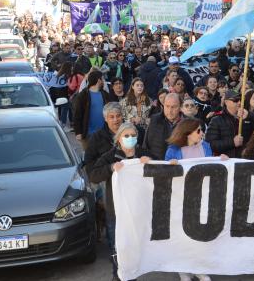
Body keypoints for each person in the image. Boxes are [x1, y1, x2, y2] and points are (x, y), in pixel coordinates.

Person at [163, 118, 225, 281]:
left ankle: (199, 268)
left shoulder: (206, 146)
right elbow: (165, 175)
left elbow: (211, 167)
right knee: (182, 235)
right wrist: (171, 165)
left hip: (203, 196)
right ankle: (183, 269)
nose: (201, 133)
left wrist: (222, 161)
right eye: (198, 130)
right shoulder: (173, 150)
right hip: (181, 198)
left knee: (200, 235)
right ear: (187, 133)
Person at [89, 122, 150, 281]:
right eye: (126, 136)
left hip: (138, 210)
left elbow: (159, 170)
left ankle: (132, 276)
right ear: (119, 139)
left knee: (135, 247)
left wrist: (149, 163)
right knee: (118, 248)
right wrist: (110, 168)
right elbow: (93, 175)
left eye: (133, 135)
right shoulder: (110, 156)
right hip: (116, 211)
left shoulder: (142, 154)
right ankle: (118, 276)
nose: (130, 138)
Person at [206, 90, 254, 158]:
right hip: (227, 162)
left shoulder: (247, 117)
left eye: (240, 100)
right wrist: (232, 142)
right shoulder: (217, 120)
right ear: (226, 102)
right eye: (235, 100)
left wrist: (250, 115)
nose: (239, 102)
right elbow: (210, 144)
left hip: (246, 160)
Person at [72, 71, 110, 149]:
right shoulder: (83, 95)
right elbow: (77, 114)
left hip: (104, 133)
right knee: (90, 158)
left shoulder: (105, 94)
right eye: (102, 79)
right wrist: (78, 132)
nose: (103, 81)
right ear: (99, 80)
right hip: (88, 134)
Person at [143, 93, 183, 160]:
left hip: (180, 165)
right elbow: (146, 144)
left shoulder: (187, 123)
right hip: (157, 165)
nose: (170, 111)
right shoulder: (154, 120)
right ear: (163, 106)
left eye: (174, 107)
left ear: (180, 107)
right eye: (167, 106)